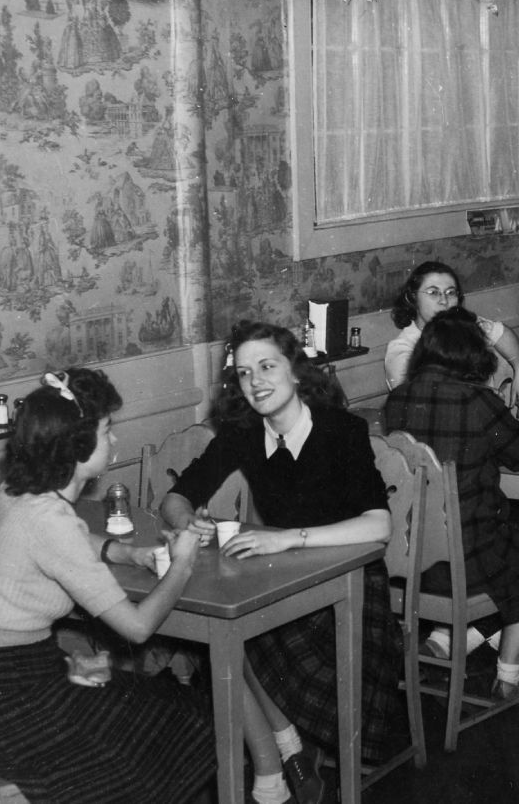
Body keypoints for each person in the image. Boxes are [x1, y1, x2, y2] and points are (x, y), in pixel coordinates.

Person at [161, 320, 404, 803]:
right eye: (245, 373)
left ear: (295, 371)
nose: (256, 382)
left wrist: (286, 540)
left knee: (241, 638)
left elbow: (379, 527)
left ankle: (280, 758)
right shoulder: (243, 433)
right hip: (280, 581)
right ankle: (281, 756)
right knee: (227, 637)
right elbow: (176, 496)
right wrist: (187, 519)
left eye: (267, 366)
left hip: (351, 589)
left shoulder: (341, 431)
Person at [0, 369, 214, 803]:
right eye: (106, 430)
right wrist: (183, 563)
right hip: (17, 701)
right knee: (186, 719)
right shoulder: (50, 519)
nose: (113, 442)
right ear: (78, 446)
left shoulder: (20, 492)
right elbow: (136, 629)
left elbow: (68, 539)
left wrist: (126, 553)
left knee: (152, 705)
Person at [383, 307, 519, 698]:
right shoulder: (476, 401)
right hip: (466, 557)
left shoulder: (396, 401)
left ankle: (451, 639)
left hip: (406, 559)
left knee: (508, 545)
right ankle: (509, 677)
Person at [384, 260, 519, 417]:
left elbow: (502, 332)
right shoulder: (402, 349)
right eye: (433, 292)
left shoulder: (464, 327)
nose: (444, 301)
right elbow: (421, 407)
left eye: (450, 293)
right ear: (413, 298)